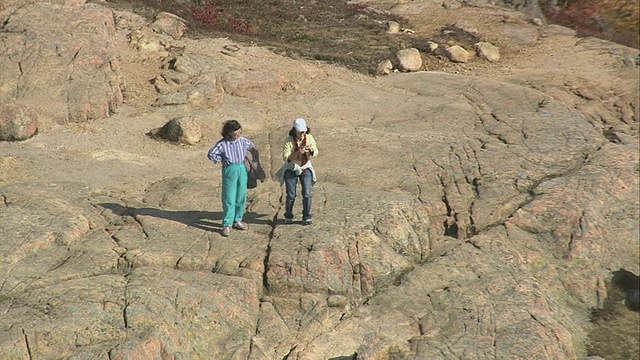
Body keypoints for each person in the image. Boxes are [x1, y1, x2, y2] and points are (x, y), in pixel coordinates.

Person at [207, 120, 256, 237]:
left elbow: (252, 147)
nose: (238, 132)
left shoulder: (243, 141)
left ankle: (237, 220)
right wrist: (221, 161)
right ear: (229, 132)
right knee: (229, 197)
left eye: (239, 129)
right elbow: (211, 154)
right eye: (236, 130)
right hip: (230, 169)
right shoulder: (222, 144)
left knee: (241, 195)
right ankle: (227, 224)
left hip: (241, 168)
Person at [280, 117, 318, 225]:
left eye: (304, 131)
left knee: (307, 194)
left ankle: (306, 216)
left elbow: (316, 151)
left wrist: (311, 150)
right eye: (300, 132)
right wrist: (298, 152)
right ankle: (288, 215)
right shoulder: (288, 141)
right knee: (291, 195)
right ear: (295, 131)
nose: (302, 134)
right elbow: (286, 158)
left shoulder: (309, 138)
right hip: (291, 169)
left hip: (305, 167)